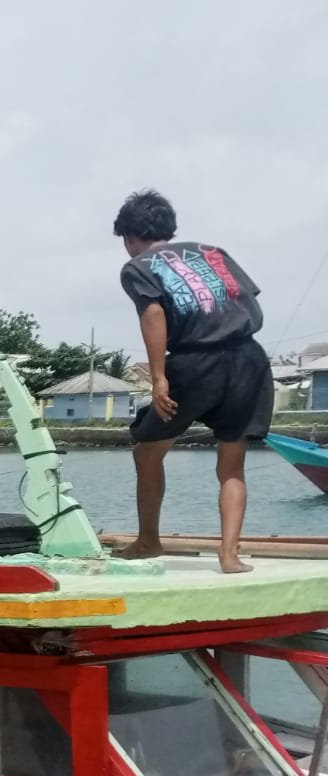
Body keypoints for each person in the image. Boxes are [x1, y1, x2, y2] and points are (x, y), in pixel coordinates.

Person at [111, 189, 271, 574]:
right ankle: (230, 556)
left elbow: (152, 312)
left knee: (147, 450)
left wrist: (159, 377)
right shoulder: (214, 253)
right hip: (249, 358)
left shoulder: (138, 266)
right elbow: (242, 297)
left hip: (196, 362)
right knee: (231, 466)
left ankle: (149, 540)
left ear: (130, 237)